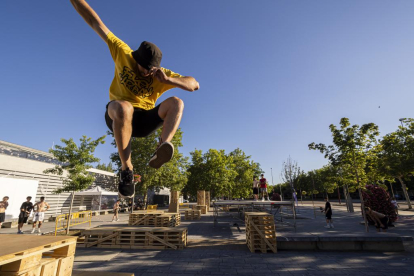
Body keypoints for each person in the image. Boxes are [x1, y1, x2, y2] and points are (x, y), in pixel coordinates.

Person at [69, 0, 200, 199]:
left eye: (152, 70)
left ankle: (162, 147)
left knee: (177, 102)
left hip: (144, 121)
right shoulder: (123, 53)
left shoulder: (161, 74)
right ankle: (126, 169)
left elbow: (194, 84)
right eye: (144, 68)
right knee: (125, 107)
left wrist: (169, 79)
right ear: (137, 59)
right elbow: (96, 23)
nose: (148, 73)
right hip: (118, 115)